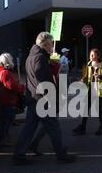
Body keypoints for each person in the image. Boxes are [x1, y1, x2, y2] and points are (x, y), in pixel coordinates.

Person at [13, 32, 75, 165]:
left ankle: (19, 154)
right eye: (51, 44)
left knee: (29, 128)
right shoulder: (40, 58)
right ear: (46, 44)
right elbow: (44, 81)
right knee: (54, 127)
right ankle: (61, 154)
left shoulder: (31, 56)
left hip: (34, 98)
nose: (52, 46)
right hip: (42, 100)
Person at [73, 49, 102, 136]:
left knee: (98, 109)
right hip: (90, 90)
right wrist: (81, 80)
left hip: (100, 90)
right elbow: (86, 76)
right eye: (90, 55)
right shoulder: (88, 64)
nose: (91, 56)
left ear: (98, 56)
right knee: (85, 109)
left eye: (93, 55)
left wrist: (100, 76)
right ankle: (83, 127)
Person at [0, 53, 25, 145]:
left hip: (1, 100)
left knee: (3, 121)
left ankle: (2, 138)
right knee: (5, 122)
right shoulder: (5, 72)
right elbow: (12, 86)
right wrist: (22, 87)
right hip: (7, 100)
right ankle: (3, 140)